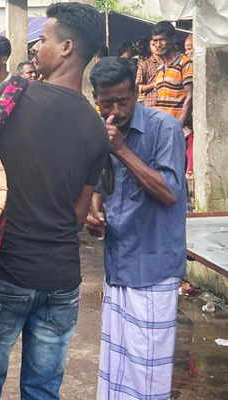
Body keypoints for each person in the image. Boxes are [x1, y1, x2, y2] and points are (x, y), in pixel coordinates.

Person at [0, 3, 108, 399]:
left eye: (43, 39)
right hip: (61, 282)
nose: (35, 47)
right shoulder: (97, 127)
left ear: (66, 48)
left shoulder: (12, 97)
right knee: (43, 390)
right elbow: (79, 215)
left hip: (6, 273)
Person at [86, 56, 187, 400]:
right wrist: (94, 214)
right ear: (96, 98)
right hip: (119, 263)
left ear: (135, 93)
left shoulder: (164, 128)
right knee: (117, 368)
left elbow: (170, 194)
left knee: (147, 370)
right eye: (106, 102)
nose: (116, 108)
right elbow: (102, 185)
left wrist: (122, 150)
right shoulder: (102, 132)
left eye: (123, 100)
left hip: (153, 267)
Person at [152, 21, 193, 175]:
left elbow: (190, 96)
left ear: (172, 40)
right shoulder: (161, 67)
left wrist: (178, 126)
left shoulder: (185, 63)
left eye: (162, 40)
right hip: (161, 129)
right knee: (162, 173)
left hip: (176, 129)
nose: (158, 45)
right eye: (155, 41)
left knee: (176, 173)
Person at [135, 39, 160, 108]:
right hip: (151, 104)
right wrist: (154, 85)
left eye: (157, 44)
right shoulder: (145, 65)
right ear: (149, 48)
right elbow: (138, 88)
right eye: (153, 45)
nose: (156, 46)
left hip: (168, 106)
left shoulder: (169, 63)